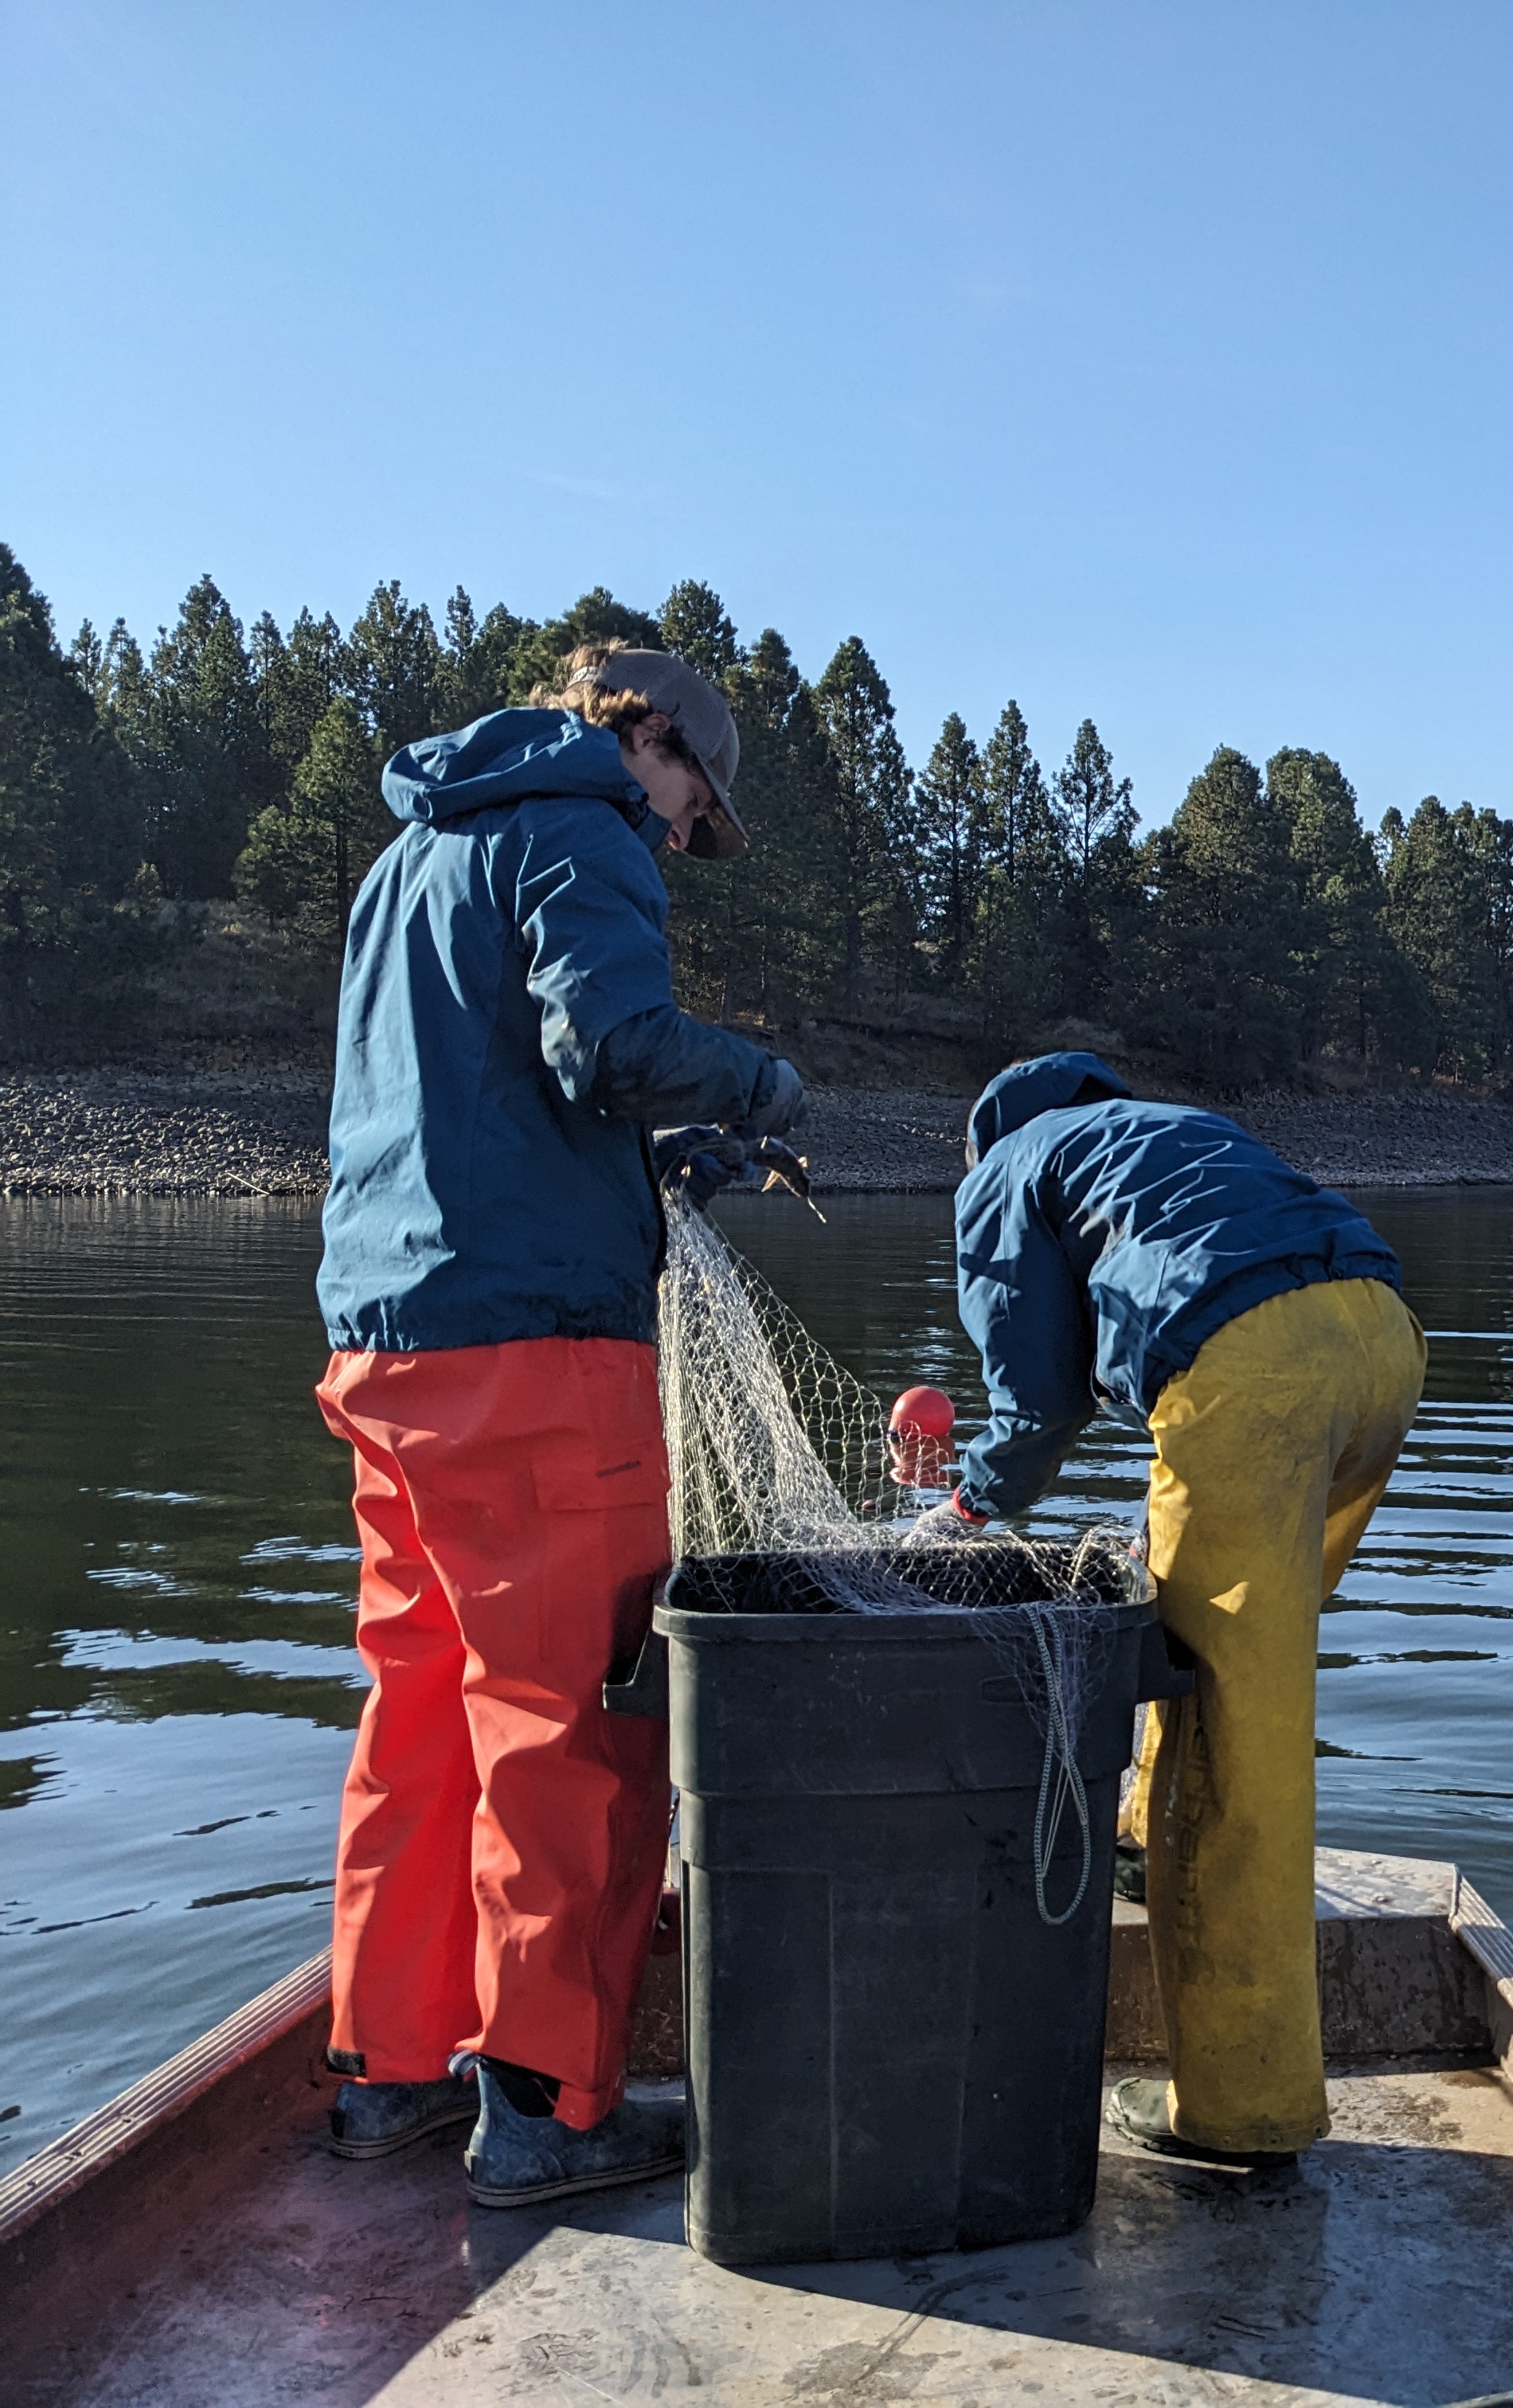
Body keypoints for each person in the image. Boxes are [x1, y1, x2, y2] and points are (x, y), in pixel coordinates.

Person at [313, 644, 804, 2205]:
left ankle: (384, 2074)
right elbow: (611, 1047)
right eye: (687, 801)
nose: (675, 836)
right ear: (641, 734)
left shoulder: (408, 860)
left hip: (387, 1344)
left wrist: (656, 1173)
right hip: (538, 1358)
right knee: (576, 1721)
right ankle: (544, 2107)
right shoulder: (580, 821)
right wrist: (761, 1084)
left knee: (417, 1711)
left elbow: (488, 1099)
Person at [927, 1052, 1426, 2166]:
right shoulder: (1168, 1125)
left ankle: (1239, 2111)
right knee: (1217, 1640)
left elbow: (1036, 1391)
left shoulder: (1009, 1162)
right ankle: (1149, 1842)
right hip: (1382, 1336)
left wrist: (971, 1504)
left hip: (1255, 1366)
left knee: (1228, 1733)